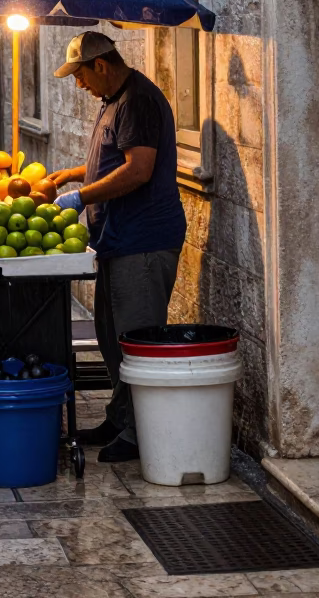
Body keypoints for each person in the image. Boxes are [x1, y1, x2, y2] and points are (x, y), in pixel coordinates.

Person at [48, 32, 186, 464]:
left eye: (81, 76)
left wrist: (81, 198)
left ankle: (140, 433)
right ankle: (120, 416)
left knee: (137, 340)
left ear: (101, 66)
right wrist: (73, 175)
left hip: (143, 242)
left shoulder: (138, 101)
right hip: (116, 239)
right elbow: (108, 159)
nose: (79, 86)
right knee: (112, 337)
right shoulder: (113, 100)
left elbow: (138, 170)